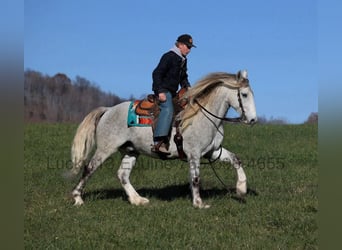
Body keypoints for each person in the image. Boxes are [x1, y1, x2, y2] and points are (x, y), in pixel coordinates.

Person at [151, 34, 196, 154]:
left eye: (191, 47)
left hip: (173, 92)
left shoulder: (182, 59)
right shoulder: (169, 57)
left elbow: (183, 77)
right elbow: (157, 74)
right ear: (180, 45)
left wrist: (188, 87)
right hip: (163, 90)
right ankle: (158, 142)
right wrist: (160, 91)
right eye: (188, 46)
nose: (189, 50)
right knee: (168, 109)